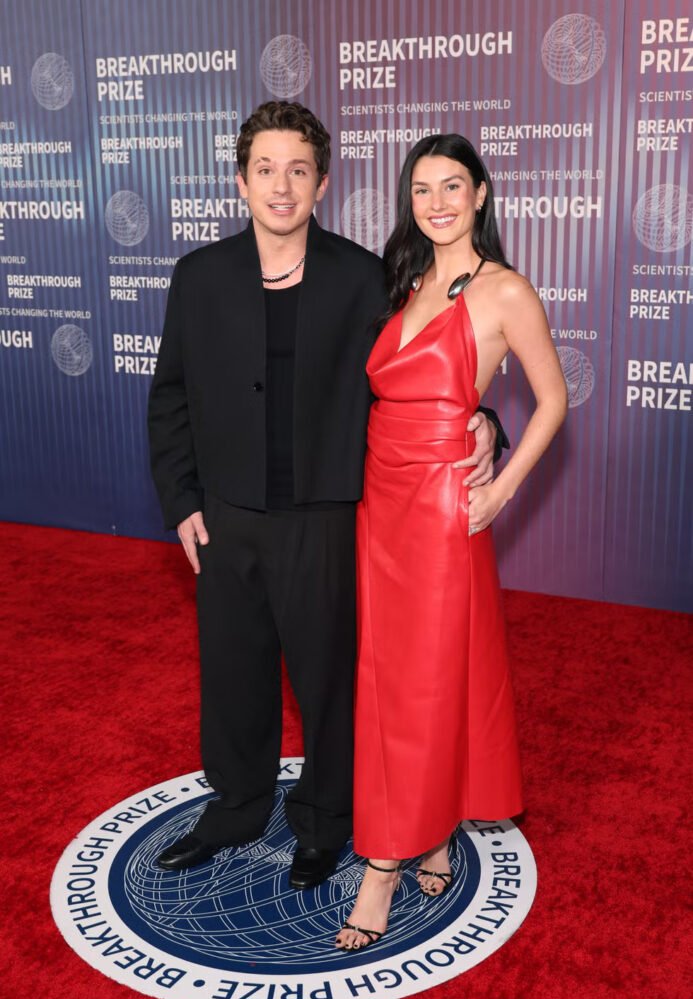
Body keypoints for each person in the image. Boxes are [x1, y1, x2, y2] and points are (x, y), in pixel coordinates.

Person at [147, 104, 499, 888]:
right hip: (227, 518)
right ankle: (235, 807)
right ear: (241, 182)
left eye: (298, 170)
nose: (281, 186)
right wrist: (181, 502)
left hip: (329, 517)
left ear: (323, 181)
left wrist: (485, 420)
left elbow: (425, 377)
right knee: (232, 676)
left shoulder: (362, 276)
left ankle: (324, 823)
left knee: (329, 681)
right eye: (266, 169)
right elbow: (168, 396)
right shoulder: (198, 277)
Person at [335, 134, 568, 949]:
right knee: (391, 675)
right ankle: (431, 827)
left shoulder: (505, 291)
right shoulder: (402, 281)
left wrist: (498, 489)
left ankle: (383, 867)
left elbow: (552, 400)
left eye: (451, 187)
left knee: (421, 682)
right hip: (380, 502)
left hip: (442, 508)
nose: (436, 203)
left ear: (479, 195)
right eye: (422, 189)